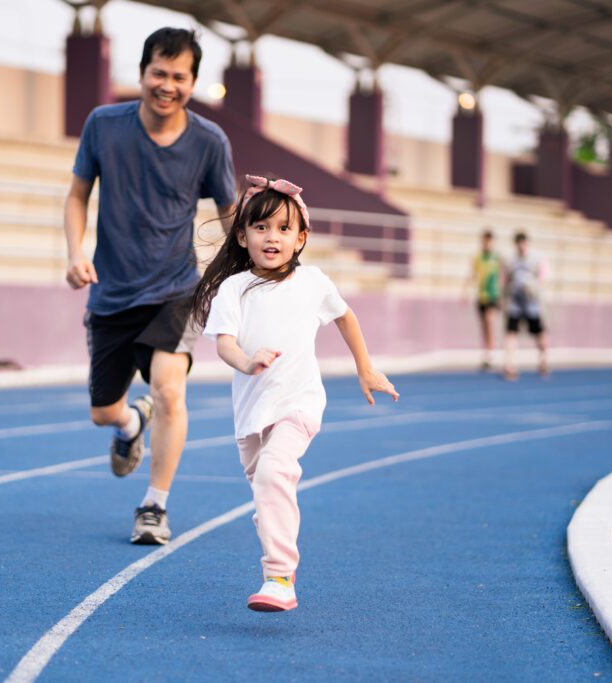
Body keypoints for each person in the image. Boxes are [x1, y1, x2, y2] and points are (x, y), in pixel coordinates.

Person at [191, 174, 399, 612]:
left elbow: (346, 318)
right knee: (266, 487)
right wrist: (248, 362)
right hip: (251, 414)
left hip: (300, 403)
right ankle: (275, 534)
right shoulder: (234, 288)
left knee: (273, 475)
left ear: (301, 238)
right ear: (244, 237)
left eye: (284, 229)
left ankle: (279, 577)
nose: (272, 237)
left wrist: (365, 368)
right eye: (261, 227)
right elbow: (225, 342)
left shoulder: (313, 282)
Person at [63, 27, 237, 545]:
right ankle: (128, 423)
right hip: (112, 292)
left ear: (193, 82)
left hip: (175, 290)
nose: (167, 84)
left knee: (168, 388)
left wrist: (243, 279)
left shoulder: (209, 142)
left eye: (179, 76)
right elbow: (76, 195)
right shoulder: (104, 125)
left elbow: (230, 212)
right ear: (141, 74)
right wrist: (75, 252)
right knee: (101, 412)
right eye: (158, 73)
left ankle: (153, 507)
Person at [502, 231, 549, 381]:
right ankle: (510, 365)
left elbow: (544, 278)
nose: (521, 246)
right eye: (519, 243)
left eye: (524, 242)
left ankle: (543, 360)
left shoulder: (537, 257)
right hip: (515, 302)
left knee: (539, 332)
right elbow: (504, 280)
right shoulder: (509, 259)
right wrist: (504, 297)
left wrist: (533, 287)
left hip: (532, 303)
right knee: (511, 333)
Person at [469, 228, 502, 371]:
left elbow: (502, 277)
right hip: (481, 295)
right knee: (483, 325)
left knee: (489, 322)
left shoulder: (497, 257)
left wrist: (502, 295)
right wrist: (465, 290)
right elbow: (474, 274)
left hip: (493, 295)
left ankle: (491, 353)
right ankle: (486, 354)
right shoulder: (477, 257)